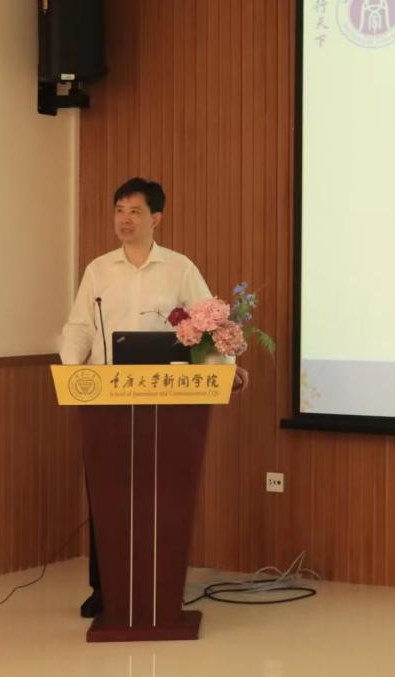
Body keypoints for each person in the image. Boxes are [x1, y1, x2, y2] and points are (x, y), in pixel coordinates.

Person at [59, 177, 246, 618]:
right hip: (107, 400)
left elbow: (209, 325)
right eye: (119, 210)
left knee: (160, 493)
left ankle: (160, 585)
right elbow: (80, 326)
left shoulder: (179, 269)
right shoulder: (99, 270)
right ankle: (105, 589)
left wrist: (226, 370)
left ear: (156, 219)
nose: (124, 219)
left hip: (167, 400)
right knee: (108, 492)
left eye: (135, 211)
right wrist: (69, 371)